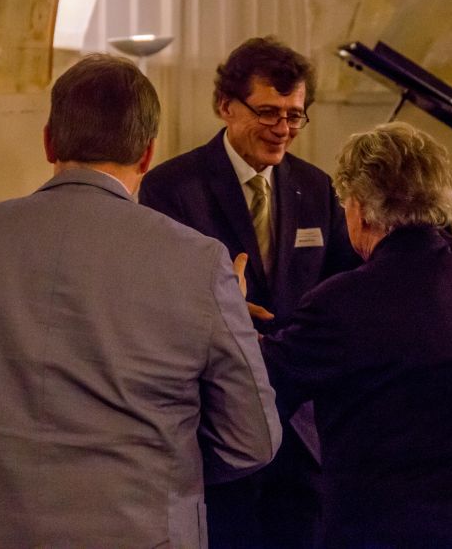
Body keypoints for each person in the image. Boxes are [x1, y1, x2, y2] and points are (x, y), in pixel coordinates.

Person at [0, 54, 282, 547]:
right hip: (135, 531)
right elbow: (251, 439)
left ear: (49, 142)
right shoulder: (200, 265)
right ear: (147, 154)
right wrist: (161, 460)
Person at [261, 122, 452, 548]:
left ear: (362, 207)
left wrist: (229, 309)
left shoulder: (340, 301)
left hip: (384, 531)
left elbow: (264, 383)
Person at [139, 36, 358, 548]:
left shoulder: (316, 187)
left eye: (295, 115)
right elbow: (153, 297)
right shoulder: (173, 186)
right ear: (225, 106)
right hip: (215, 420)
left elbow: (347, 281)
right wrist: (223, 310)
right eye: (267, 112)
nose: (283, 128)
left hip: (300, 421)